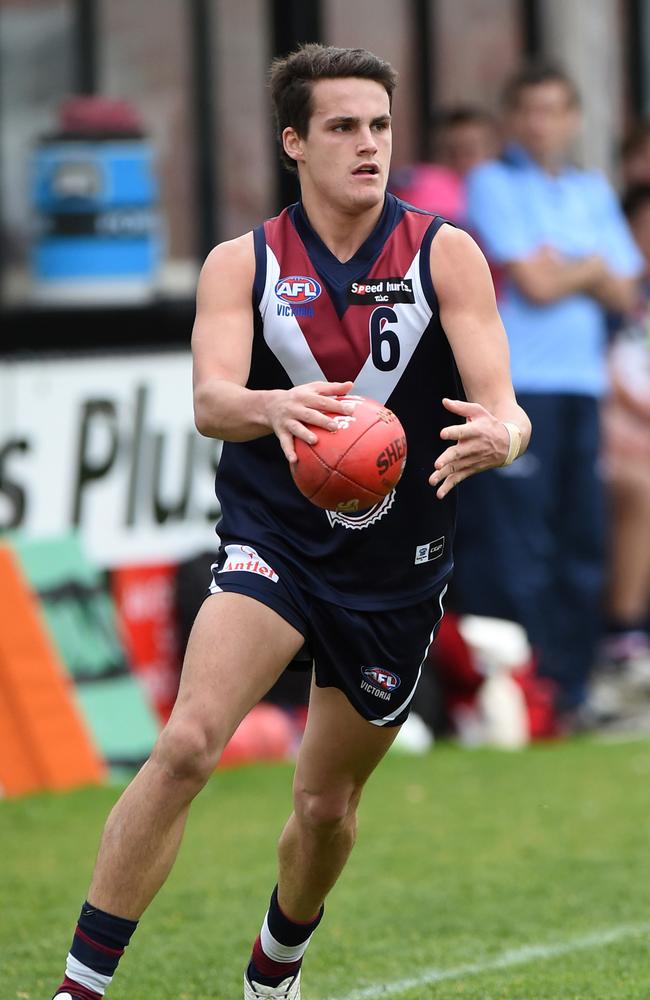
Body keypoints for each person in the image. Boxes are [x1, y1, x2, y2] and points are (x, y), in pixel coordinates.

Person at [50, 43, 530, 1000]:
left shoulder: (447, 252)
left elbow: (504, 407)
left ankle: (275, 970)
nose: (368, 146)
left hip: (398, 564)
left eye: (381, 127)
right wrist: (273, 410)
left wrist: (505, 438)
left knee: (323, 805)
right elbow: (210, 399)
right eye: (344, 128)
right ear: (294, 143)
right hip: (275, 542)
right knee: (187, 743)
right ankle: (80, 988)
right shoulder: (244, 263)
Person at [451, 62, 643, 720]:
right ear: (511, 119)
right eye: (529, 110)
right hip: (517, 388)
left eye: (554, 109)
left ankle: (571, 689)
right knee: (518, 543)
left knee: (579, 538)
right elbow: (533, 285)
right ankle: (518, 693)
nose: (542, 123)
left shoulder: (590, 190)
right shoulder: (493, 183)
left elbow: (627, 287)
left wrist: (572, 268)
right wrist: (589, 266)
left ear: (574, 119)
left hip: (580, 387)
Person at [588, 184, 650, 719]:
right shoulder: (612, 305)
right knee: (639, 485)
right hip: (611, 439)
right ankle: (624, 643)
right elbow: (607, 381)